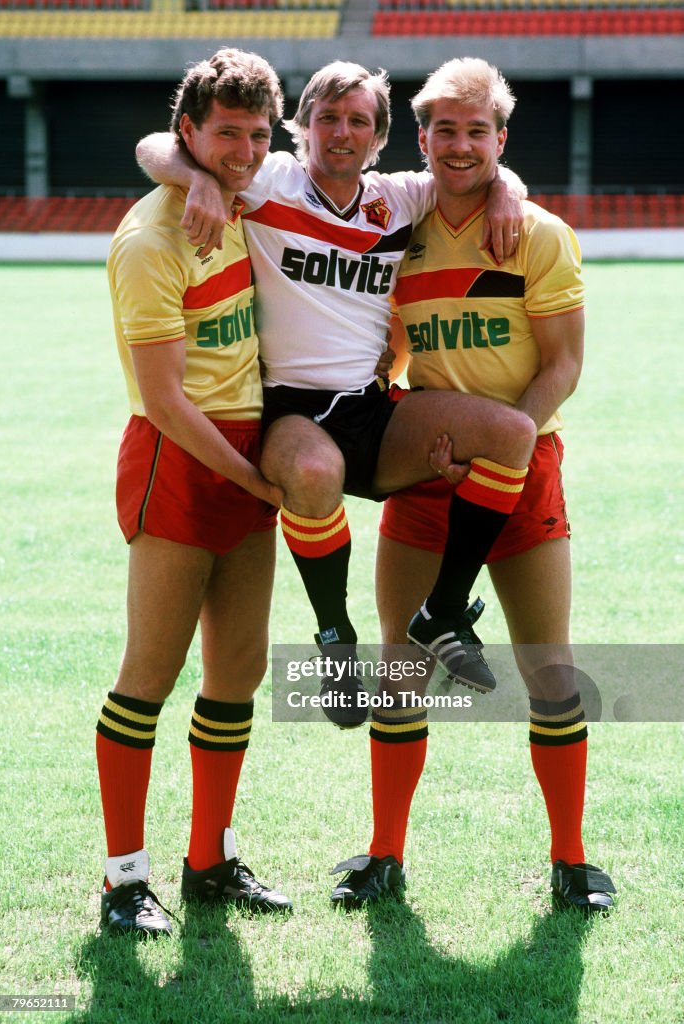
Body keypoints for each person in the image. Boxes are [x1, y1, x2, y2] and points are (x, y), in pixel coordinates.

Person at [135, 61, 537, 724]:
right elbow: (155, 145)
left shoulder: (402, 197)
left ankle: (440, 611)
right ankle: (334, 638)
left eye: (357, 121)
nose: (341, 132)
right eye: (327, 117)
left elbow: (493, 165)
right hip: (291, 409)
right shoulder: (268, 181)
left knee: (510, 434)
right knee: (315, 474)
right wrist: (196, 179)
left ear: (379, 138)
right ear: (301, 128)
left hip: (370, 406)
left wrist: (503, 195)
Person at [329, 57, 616, 912]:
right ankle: (384, 855)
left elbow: (562, 365)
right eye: (443, 130)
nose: (460, 145)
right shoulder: (394, 228)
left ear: (500, 138)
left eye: (476, 130)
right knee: (400, 669)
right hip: (427, 468)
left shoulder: (536, 233)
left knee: (549, 671)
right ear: (421, 140)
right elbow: (384, 353)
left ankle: (570, 861)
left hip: (521, 472)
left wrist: (506, 449)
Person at [98, 47, 293, 938]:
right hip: (185, 459)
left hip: (247, 455)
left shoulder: (251, 194)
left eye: (258, 134)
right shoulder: (149, 239)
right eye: (226, 134)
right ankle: (122, 881)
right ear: (191, 132)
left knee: (238, 674)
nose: (244, 150)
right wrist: (258, 480)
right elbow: (169, 403)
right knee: (150, 676)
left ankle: (209, 861)